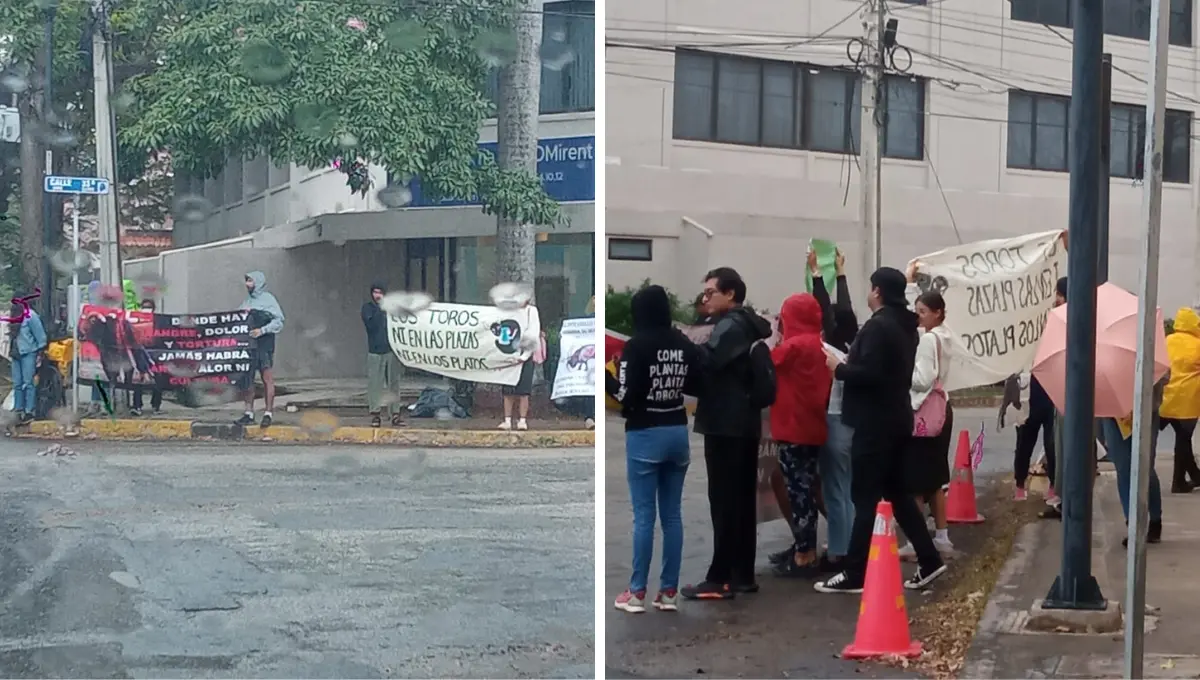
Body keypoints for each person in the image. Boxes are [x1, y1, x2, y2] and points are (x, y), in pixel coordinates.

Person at [814, 267, 947, 594]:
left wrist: (839, 368)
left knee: (865, 497)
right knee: (898, 495)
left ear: (877, 291)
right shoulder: (905, 325)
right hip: (895, 417)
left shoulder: (879, 326)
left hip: (875, 422)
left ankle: (855, 573)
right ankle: (929, 560)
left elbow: (871, 373)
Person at [681, 267, 772, 601]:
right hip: (742, 421)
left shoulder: (731, 326)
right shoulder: (748, 324)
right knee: (741, 500)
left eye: (710, 293)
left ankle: (720, 576)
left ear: (730, 294)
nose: (704, 299)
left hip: (726, 422)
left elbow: (708, 361)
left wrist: (682, 342)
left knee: (725, 501)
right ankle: (741, 573)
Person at [608, 285, 701, 613]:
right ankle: (669, 592)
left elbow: (625, 395)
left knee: (644, 516)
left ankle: (635, 593)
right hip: (677, 429)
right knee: (672, 515)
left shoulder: (637, 346)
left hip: (645, 432)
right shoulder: (682, 343)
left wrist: (605, 377)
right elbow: (697, 380)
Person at [769, 292, 833, 578]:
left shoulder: (792, 346)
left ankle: (804, 553)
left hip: (793, 428)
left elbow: (767, 362)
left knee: (798, 492)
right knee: (806, 487)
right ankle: (803, 545)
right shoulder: (819, 345)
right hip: (814, 425)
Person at [899, 288, 955, 558]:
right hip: (941, 410)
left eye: (923, 312)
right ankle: (942, 536)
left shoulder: (927, 341)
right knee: (935, 479)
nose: (919, 317)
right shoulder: (946, 337)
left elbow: (923, 378)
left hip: (922, 412)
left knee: (916, 480)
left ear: (937, 313)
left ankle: (917, 539)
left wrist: (903, 369)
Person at [1099, 374, 1168, 545]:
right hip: (1114, 414)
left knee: (1145, 466)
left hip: (1144, 410)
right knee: (1123, 468)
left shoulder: (1152, 347)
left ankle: (1155, 519)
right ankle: (1133, 526)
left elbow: (1165, 375)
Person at [1158, 306, 1200, 493]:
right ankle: (1178, 482)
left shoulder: (1168, 340)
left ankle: (1195, 476)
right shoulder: (1198, 344)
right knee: (1183, 440)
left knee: (1183, 441)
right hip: (1188, 401)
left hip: (1166, 398)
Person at [236, 271, 285, 428]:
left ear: (258, 282)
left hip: (264, 344)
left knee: (266, 378)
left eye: (250, 281)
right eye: (247, 281)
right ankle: (248, 412)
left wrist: (262, 330)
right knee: (247, 379)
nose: (247, 284)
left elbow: (279, 321)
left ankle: (268, 413)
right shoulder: (246, 302)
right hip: (248, 346)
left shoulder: (269, 300)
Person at [361, 283, 403, 428]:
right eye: (375, 292)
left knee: (393, 383)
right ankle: (375, 414)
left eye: (380, 292)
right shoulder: (368, 308)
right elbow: (370, 324)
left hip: (391, 350)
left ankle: (395, 414)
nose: (377, 295)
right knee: (375, 384)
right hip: (375, 351)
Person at [499, 299, 541, 431]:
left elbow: (533, 334)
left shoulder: (531, 311)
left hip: (525, 356)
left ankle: (522, 420)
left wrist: (523, 357)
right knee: (508, 390)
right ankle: (507, 420)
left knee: (524, 391)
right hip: (509, 356)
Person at [8, 298, 47, 424]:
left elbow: (40, 336)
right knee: (17, 384)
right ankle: (18, 410)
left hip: (28, 353)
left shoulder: (31, 316)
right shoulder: (13, 316)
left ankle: (29, 411)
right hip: (16, 354)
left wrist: (40, 353)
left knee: (28, 383)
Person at [131, 299, 163, 416]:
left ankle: (156, 406)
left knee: (158, 380)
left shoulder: (158, 322)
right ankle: (137, 406)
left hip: (156, 355)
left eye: (148, 307)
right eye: (144, 307)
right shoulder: (136, 322)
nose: (146, 309)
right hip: (139, 354)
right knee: (138, 380)